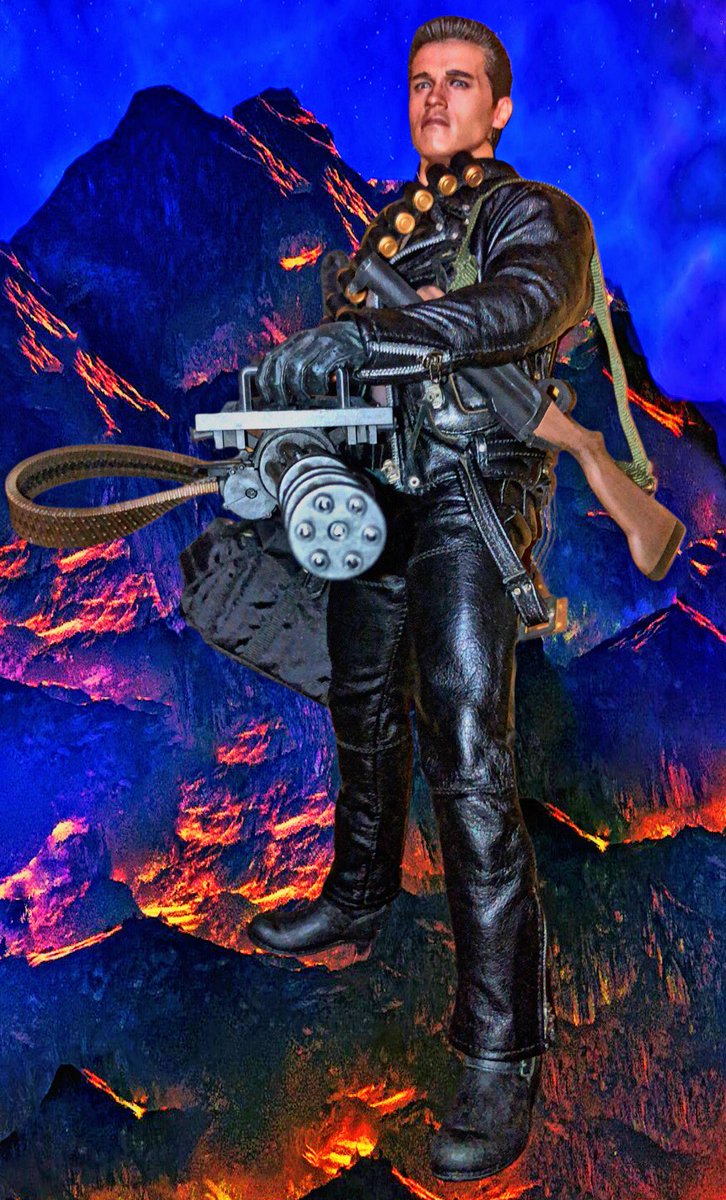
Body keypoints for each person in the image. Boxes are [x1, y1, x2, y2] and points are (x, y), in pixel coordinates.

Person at [247, 16, 595, 1183]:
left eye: (459, 82)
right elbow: (363, 349)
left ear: (500, 106)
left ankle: (502, 1054)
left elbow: (522, 304)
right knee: (359, 695)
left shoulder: (534, 213)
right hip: (380, 480)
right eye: (419, 83)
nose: (435, 100)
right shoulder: (392, 227)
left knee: (466, 750)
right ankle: (358, 894)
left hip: (472, 493)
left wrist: (377, 332)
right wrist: (321, 360)